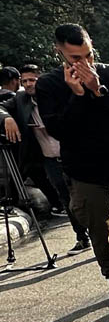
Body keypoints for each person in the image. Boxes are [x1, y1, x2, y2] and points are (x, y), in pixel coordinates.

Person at [36, 25, 109, 304]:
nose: (84, 64)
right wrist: (78, 96)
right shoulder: (49, 85)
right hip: (84, 171)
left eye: (88, 55)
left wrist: (98, 90)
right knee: (98, 231)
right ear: (59, 51)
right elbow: (60, 131)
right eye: (75, 58)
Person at [2, 65, 90, 254]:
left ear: (41, 79)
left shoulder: (54, 94)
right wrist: (7, 119)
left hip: (75, 154)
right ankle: (82, 237)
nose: (27, 85)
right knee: (67, 200)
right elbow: (1, 107)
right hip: (50, 160)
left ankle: (99, 235)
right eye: (24, 81)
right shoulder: (21, 100)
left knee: (86, 196)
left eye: (32, 80)